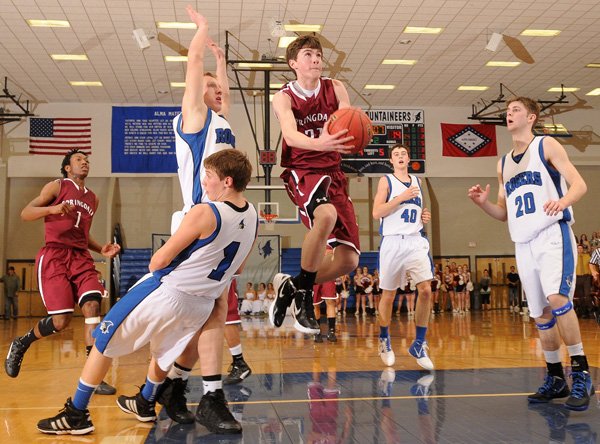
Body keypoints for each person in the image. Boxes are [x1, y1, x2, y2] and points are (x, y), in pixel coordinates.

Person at [37, 149, 257, 436]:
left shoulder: (205, 211)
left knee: (103, 339)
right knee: (165, 352)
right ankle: (145, 402)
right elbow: (238, 269)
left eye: (209, 176)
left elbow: (159, 261)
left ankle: (77, 413)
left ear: (227, 181)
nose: (204, 182)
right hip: (201, 304)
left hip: (168, 291)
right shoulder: (253, 214)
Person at [468, 96, 595, 411]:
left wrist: (563, 203)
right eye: (507, 111)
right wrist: (483, 203)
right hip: (523, 243)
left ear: (532, 117)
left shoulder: (546, 146)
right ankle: (555, 377)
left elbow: (579, 185)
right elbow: (504, 214)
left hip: (552, 234)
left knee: (558, 300)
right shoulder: (503, 163)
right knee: (540, 314)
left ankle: (581, 373)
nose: (509, 114)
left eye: (515, 110)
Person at [156, 6, 252, 425]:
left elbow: (225, 92)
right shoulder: (194, 119)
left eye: (216, 89)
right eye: (209, 87)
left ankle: (180, 388)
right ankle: (166, 388)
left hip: (218, 223)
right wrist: (201, 34)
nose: (216, 91)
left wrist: (221, 61)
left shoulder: (221, 121)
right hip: (198, 222)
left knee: (213, 312)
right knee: (193, 315)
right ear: (197, 94)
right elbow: (192, 66)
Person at [5, 149, 120, 395]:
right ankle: (22, 343)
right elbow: (26, 213)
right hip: (55, 255)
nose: (84, 162)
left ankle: (93, 376)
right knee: (61, 322)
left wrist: (102, 248)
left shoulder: (93, 198)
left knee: (92, 307)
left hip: (81, 257)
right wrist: (52, 210)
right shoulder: (57, 186)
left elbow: (82, 233)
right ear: (68, 167)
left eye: (87, 160)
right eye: (79, 159)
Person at [269, 34, 360, 334]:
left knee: (348, 261)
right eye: (308, 54)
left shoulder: (335, 87)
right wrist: (320, 142)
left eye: (319, 54)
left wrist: (353, 132)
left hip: (334, 171)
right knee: (326, 215)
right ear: (294, 63)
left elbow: (345, 118)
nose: (316, 59)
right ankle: (305, 297)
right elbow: (291, 136)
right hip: (304, 170)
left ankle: (293, 285)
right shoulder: (283, 97)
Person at [373, 144, 434, 370]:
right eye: (396, 154)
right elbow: (377, 212)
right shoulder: (386, 181)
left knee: (426, 290)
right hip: (392, 241)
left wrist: (423, 216)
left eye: (403, 154)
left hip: (415, 240)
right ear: (391, 161)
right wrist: (401, 197)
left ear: (409, 158)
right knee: (388, 296)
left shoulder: (417, 181)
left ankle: (419, 343)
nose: (400, 157)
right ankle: (384, 339)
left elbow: (416, 210)